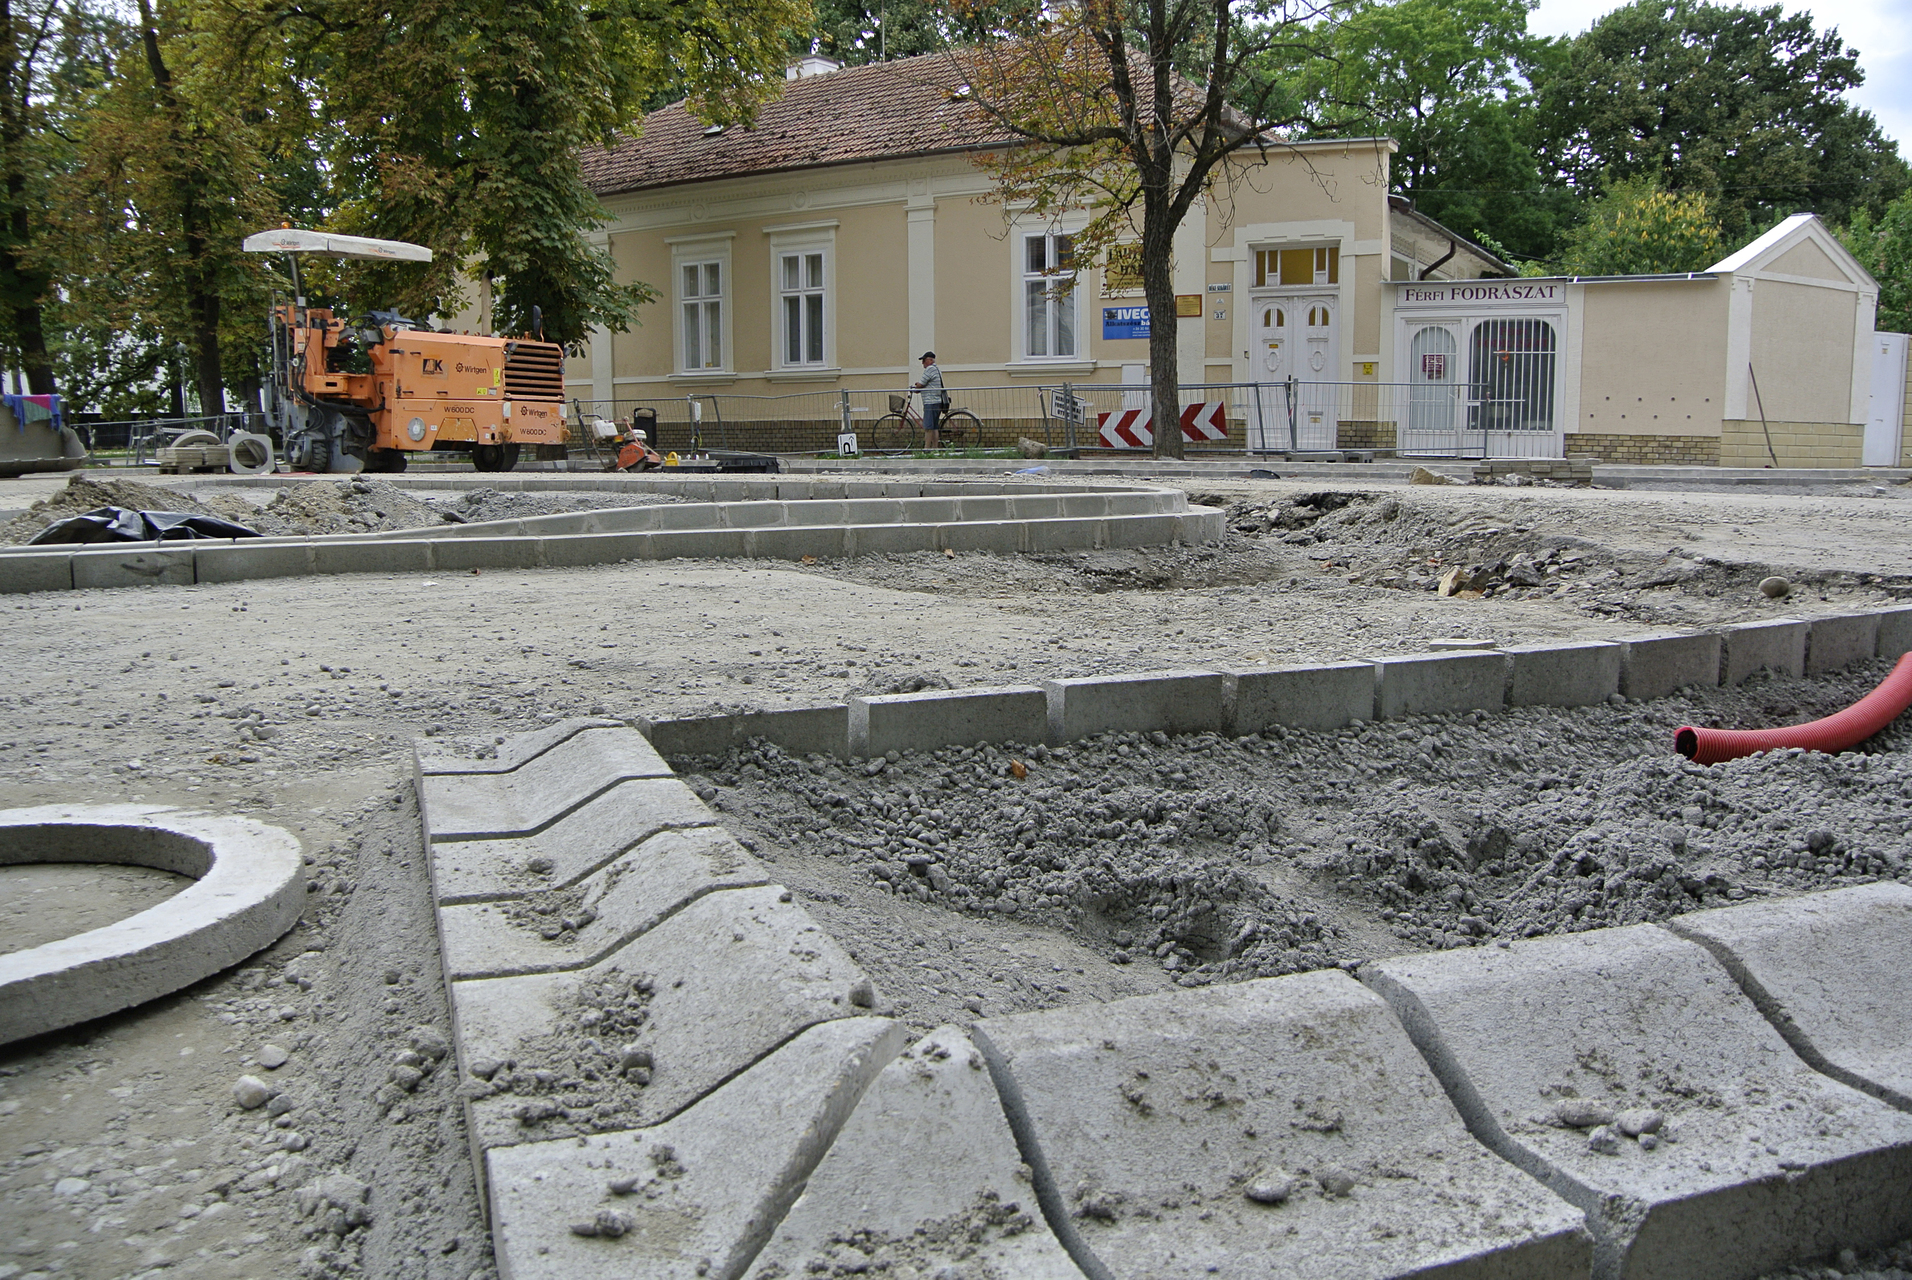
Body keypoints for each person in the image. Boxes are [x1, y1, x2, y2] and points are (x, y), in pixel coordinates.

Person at [911, 351, 946, 449]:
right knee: (934, 427)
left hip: (930, 402)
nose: (922, 363)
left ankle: (926, 449)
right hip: (937, 401)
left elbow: (921, 384)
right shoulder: (936, 369)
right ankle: (935, 448)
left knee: (928, 428)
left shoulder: (930, 369)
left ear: (930, 360)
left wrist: (916, 386)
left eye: (924, 360)